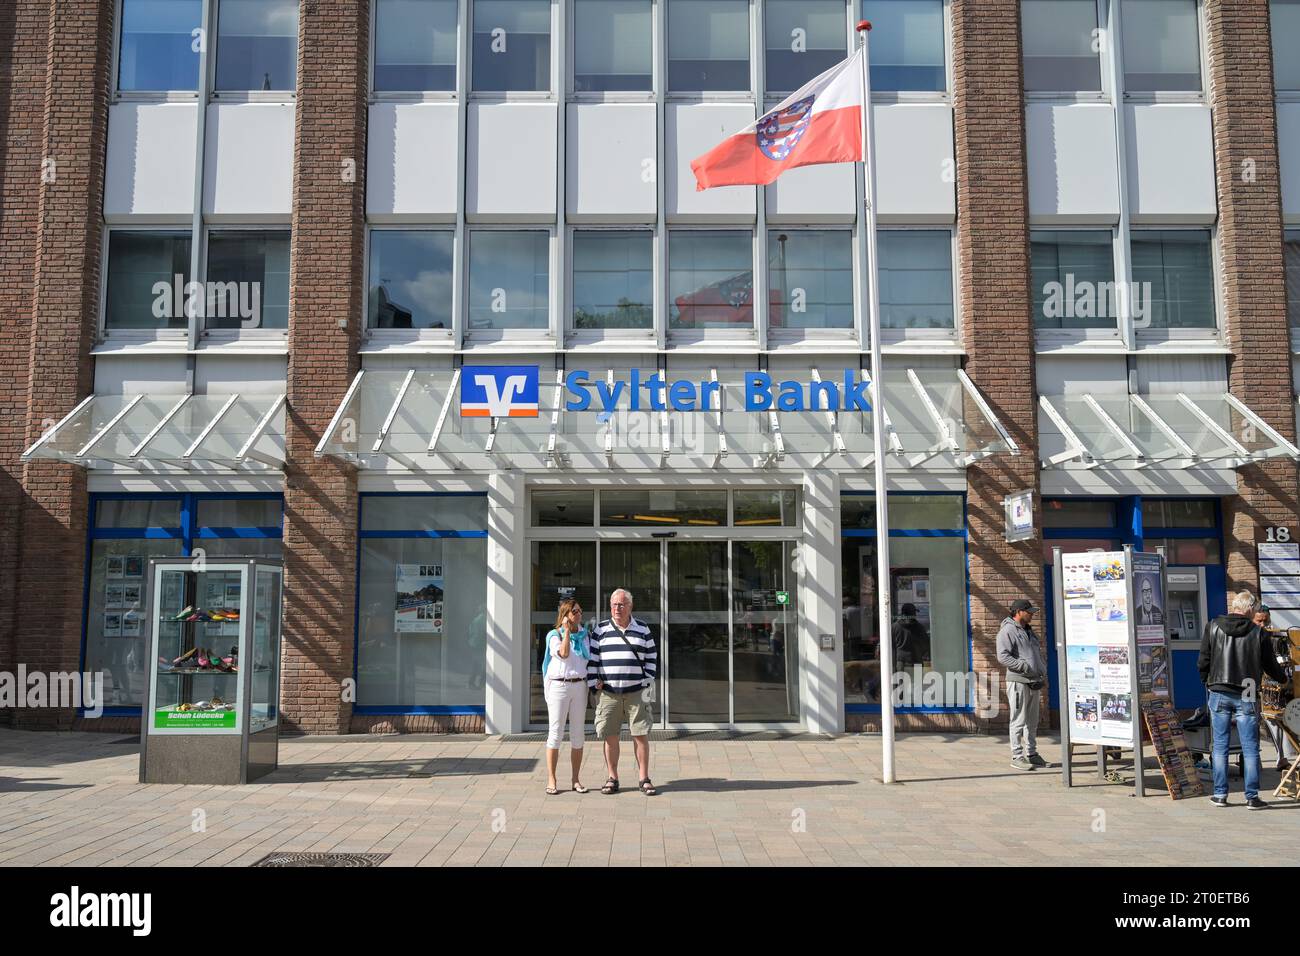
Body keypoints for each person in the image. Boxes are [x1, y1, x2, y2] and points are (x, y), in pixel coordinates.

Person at [1197, 590, 1290, 808]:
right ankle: (1252, 796)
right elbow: (1270, 666)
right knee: (1250, 746)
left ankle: (1220, 795)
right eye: (1255, 609)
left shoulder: (1213, 626)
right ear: (1249, 609)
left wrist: (1208, 681)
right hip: (1247, 692)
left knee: (1219, 745)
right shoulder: (1258, 634)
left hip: (1218, 690)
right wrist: (1283, 679)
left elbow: (1203, 660)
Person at [587, 588, 658, 796]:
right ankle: (612, 778)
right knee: (610, 737)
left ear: (630, 606)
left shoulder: (643, 629)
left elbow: (652, 657)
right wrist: (593, 684)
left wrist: (647, 682)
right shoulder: (600, 630)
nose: (617, 608)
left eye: (622, 604)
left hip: (637, 693)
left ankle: (644, 778)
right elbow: (593, 660)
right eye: (614, 604)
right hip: (609, 693)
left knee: (641, 735)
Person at [541, 599, 591, 796]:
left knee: (578, 734)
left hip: (579, 686)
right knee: (556, 733)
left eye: (580, 610)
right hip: (559, 686)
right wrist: (567, 632)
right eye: (574, 611)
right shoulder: (554, 636)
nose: (578, 614)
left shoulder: (586, 636)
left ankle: (575, 779)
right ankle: (552, 778)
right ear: (565, 616)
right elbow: (563, 652)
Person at [996, 598, 1048, 771]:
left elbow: (1035, 654)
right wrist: (1024, 666)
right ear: (1019, 612)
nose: (1032, 614)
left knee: (1032, 721)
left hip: (1034, 681)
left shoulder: (1029, 631)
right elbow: (1003, 656)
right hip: (1018, 681)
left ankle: (1032, 754)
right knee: (1018, 719)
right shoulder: (1008, 630)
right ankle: (1017, 756)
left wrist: (1041, 669)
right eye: (1029, 611)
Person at [1254, 605, 1298, 771]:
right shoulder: (1250, 636)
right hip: (1251, 685)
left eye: (1266, 620)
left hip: (1270, 685)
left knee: (1274, 720)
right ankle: (1255, 758)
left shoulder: (1273, 636)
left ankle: (1281, 757)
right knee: (1255, 722)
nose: (1263, 624)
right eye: (1259, 621)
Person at [891, 603, 931, 670]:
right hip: (916, 661)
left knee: (901, 680)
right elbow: (925, 645)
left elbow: (890, 645)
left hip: (900, 663)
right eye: (914, 613)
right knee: (916, 680)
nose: (915, 614)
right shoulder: (919, 627)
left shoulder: (894, 627)